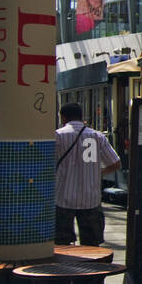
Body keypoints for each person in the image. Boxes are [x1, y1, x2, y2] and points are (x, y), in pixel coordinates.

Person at [55, 103, 120, 247]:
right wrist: (100, 172)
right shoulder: (97, 136)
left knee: (62, 243)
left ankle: (66, 267)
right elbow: (116, 163)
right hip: (91, 197)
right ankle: (92, 267)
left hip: (63, 196)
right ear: (81, 117)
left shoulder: (58, 136)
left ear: (63, 117)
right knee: (91, 244)